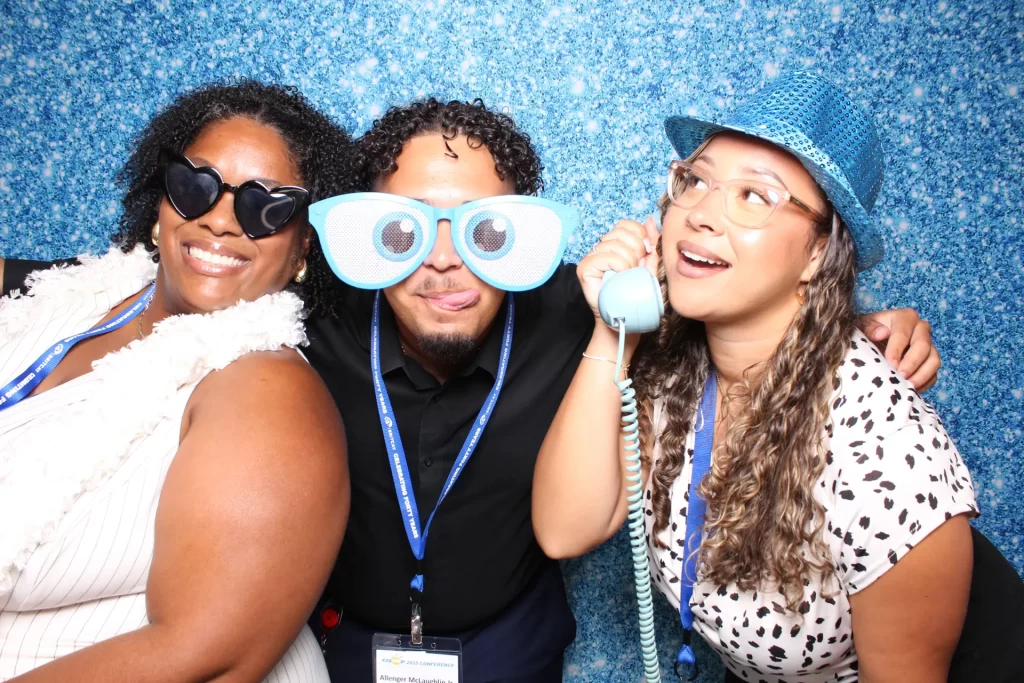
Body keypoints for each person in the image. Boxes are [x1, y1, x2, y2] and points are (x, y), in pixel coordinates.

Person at [2, 97, 939, 683]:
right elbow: (186, 269)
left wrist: (855, 326)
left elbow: (732, 309)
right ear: (359, 235)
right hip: (342, 644)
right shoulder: (307, 310)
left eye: (484, 230)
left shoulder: (582, 314)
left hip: (511, 647)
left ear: (521, 234)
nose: (445, 258)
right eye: (403, 227)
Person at [532, 72, 990, 682]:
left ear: (818, 253)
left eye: (755, 195)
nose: (700, 214)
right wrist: (612, 331)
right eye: (695, 181)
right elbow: (564, 531)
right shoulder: (673, 368)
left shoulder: (886, 451)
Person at [0, 80, 351, 682]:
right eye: (196, 187)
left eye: (264, 208)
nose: (219, 220)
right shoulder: (67, 301)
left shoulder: (267, 389)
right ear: (160, 200)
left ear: (303, 247)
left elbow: (209, 655)